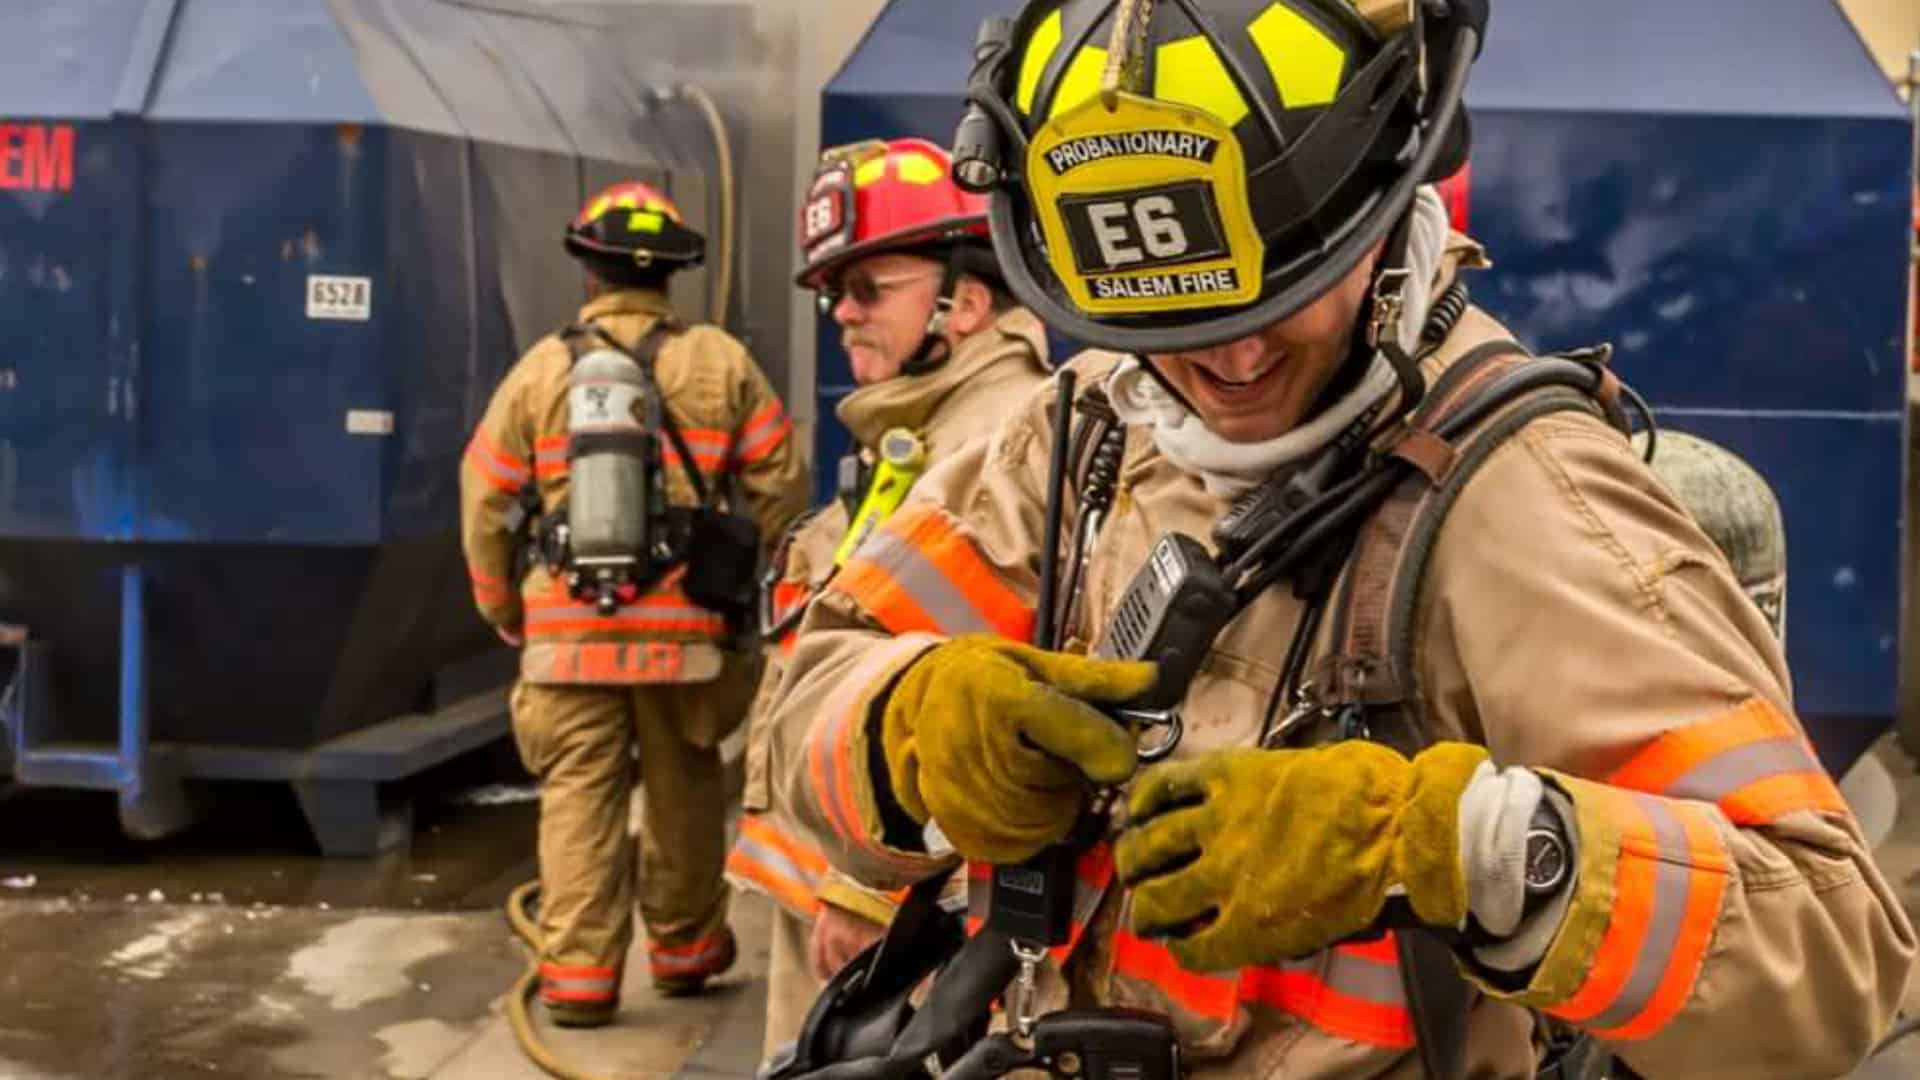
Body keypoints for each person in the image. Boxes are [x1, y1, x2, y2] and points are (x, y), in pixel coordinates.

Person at [766, 1, 1916, 1075]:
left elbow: (1830, 954)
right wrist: (903, 729)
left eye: (1278, 300)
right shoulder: (1081, 433)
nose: (1227, 364)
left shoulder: (1522, 497)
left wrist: (1457, 847)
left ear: (1380, 210)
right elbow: (801, 710)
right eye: (1170, 323)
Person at [724, 137, 1051, 1063]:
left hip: (891, 894)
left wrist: (870, 890)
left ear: (970, 301)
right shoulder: (919, 430)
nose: (844, 314)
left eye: (870, 288)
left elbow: (959, 666)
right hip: (843, 866)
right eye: (835, 292)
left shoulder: (991, 443)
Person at [460, 181, 807, 1028]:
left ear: (589, 273)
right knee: (684, 786)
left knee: (579, 794)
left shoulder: (542, 370)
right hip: (684, 637)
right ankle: (686, 952)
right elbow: (784, 489)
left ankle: (578, 979)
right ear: (669, 279)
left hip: (565, 637)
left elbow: (484, 500)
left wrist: (506, 606)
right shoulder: (719, 361)